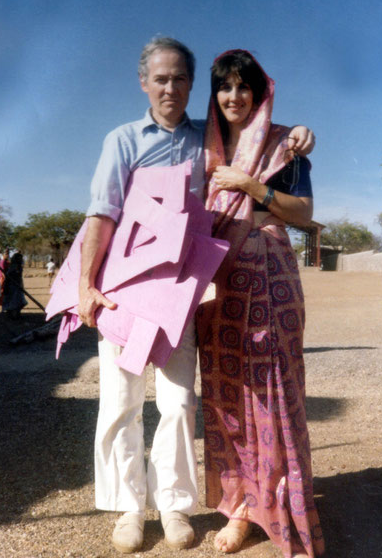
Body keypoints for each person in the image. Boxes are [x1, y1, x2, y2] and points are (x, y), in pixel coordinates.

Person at [77, 37, 316, 554]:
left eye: (179, 79)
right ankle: (128, 509)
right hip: (123, 290)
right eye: (160, 78)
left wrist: (298, 132)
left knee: (180, 401)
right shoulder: (122, 140)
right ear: (144, 83)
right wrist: (86, 286)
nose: (170, 88)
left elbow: (265, 152)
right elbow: (101, 214)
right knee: (121, 402)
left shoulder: (203, 142)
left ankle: (174, 505)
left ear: (191, 87)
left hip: (179, 293)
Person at [197, 50, 324, 557]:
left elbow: (305, 214)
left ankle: (282, 504)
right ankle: (242, 507)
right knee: (227, 393)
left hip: (268, 282)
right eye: (225, 88)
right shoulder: (200, 146)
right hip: (216, 286)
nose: (234, 97)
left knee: (271, 390)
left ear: (260, 92)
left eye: (244, 87)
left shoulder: (283, 145)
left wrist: (250, 185)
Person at [2, 252, 27, 319]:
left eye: (20, 259)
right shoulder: (13, 266)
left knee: (19, 301)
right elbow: (9, 276)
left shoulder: (19, 267)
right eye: (18, 259)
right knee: (12, 301)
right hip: (12, 285)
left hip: (18, 285)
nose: (20, 260)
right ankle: (10, 315)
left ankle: (17, 314)